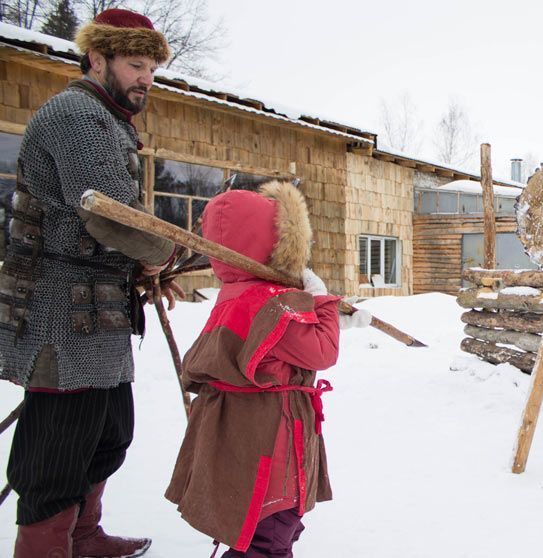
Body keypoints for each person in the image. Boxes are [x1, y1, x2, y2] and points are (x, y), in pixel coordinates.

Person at [0, 8, 181, 558]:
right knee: (55, 451)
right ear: (97, 58)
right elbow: (109, 214)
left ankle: (82, 537)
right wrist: (162, 251)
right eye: (134, 64)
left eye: (151, 67)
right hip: (60, 308)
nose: (145, 78)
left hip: (102, 309)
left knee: (107, 436)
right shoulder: (74, 115)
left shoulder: (109, 121)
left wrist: (151, 268)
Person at [165, 181, 372, 558]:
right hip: (271, 443)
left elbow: (284, 346)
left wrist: (326, 316)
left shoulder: (236, 294)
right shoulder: (271, 302)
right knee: (270, 539)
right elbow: (320, 352)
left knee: (263, 533)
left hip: (240, 440)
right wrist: (321, 301)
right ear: (277, 244)